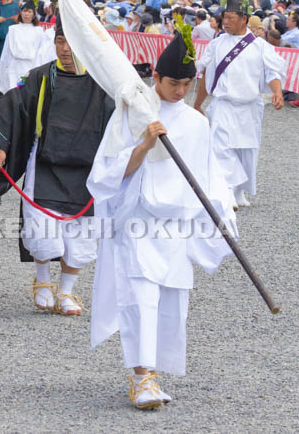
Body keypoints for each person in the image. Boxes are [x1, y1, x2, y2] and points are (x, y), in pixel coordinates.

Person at [87, 28, 237, 410]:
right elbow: (106, 172)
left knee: (171, 301)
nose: (180, 91)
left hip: (175, 227)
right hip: (138, 220)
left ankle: (154, 372)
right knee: (140, 297)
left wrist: (222, 214)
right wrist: (144, 145)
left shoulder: (196, 123)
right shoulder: (133, 112)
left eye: (188, 84)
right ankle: (141, 377)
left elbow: (208, 177)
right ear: (156, 77)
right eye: (173, 83)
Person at [0, 15, 115, 315]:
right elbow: (13, 108)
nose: (65, 48)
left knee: (79, 234)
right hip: (44, 162)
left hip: (85, 168)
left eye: (71, 42)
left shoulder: (102, 81)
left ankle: (66, 292)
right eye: (60, 41)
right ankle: (43, 282)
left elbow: (120, 121)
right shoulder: (38, 77)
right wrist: (2, 147)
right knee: (43, 230)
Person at [194, 0, 285, 207]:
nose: (225, 22)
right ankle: (224, 189)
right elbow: (207, 74)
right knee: (220, 147)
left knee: (245, 150)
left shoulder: (259, 46)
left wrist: (277, 92)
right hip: (223, 104)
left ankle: (237, 191)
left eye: (230, 18)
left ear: (243, 19)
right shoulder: (216, 44)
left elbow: (273, 72)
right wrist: (198, 103)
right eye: (223, 18)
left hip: (249, 107)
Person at [0, 0, 55, 95]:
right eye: (24, 11)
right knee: (13, 93)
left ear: (33, 15)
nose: (26, 14)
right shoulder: (13, 29)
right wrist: (3, 67)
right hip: (15, 66)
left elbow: (41, 52)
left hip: (32, 66)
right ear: (21, 13)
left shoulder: (39, 31)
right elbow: (6, 51)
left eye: (29, 12)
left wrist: (38, 69)